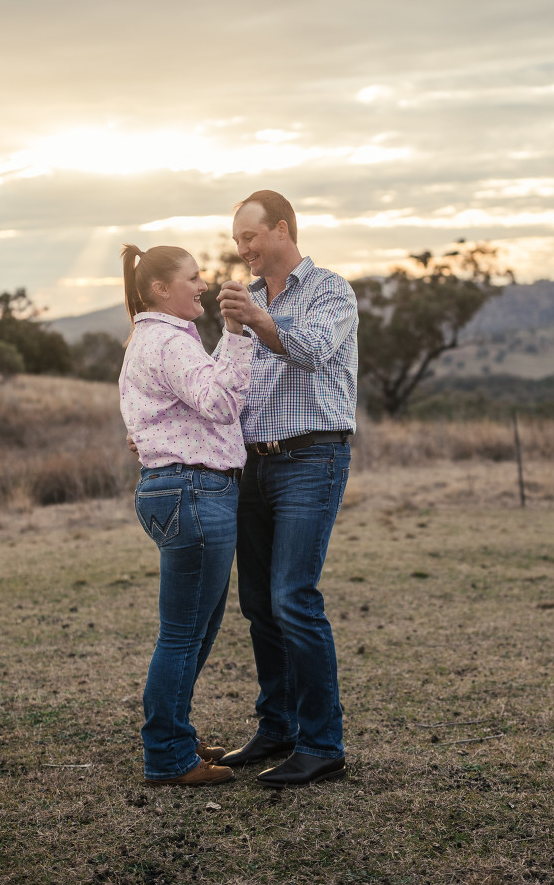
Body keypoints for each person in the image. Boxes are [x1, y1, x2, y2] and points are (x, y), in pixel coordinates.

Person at [214, 190, 358, 788]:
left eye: (249, 237)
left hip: (311, 458)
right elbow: (223, 383)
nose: (242, 249)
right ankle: (277, 728)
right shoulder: (248, 302)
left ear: (281, 229)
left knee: (294, 598)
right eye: (237, 240)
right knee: (258, 604)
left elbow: (314, 351)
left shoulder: (331, 291)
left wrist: (256, 320)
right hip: (252, 464)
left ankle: (323, 746)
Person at [118, 243, 255, 786]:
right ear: (160, 289)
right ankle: (168, 756)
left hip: (177, 490)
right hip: (194, 491)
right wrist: (237, 334)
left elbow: (174, 408)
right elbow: (220, 403)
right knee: (182, 634)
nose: (203, 285)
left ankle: (175, 733)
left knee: (195, 629)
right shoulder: (170, 341)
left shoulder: (151, 338)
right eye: (193, 278)